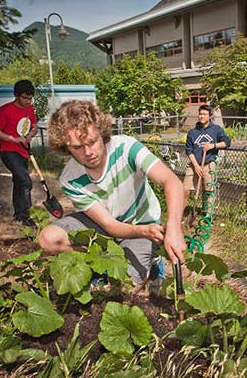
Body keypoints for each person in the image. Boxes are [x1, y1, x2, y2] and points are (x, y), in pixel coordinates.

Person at [38, 101, 186, 288]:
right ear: (65, 147)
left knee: (125, 285)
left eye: (92, 142)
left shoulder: (127, 148)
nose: (88, 152)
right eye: (77, 147)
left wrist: (173, 227)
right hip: (105, 227)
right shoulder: (70, 179)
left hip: (142, 225)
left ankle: (147, 262)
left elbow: (172, 181)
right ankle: (104, 262)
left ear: (101, 132)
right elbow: (109, 225)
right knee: (48, 239)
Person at [0, 79, 38, 227]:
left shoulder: (30, 109)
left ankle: (18, 215)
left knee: (19, 182)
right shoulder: (5, 110)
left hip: (23, 151)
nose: (28, 101)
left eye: (30, 98)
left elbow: (34, 126)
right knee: (25, 180)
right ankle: (25, 215)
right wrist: (12, 138)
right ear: (17, 95)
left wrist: (30, 135)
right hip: (8, 151)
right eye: (25, 98)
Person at [184, 104, 231, 213]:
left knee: (208, 191)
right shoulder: (192, 132)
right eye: (200, 114)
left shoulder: (216, 129)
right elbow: (189, 150)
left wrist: (212, 145)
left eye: (204, 114)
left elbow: (227, 143)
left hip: (209, 164)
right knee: (185, 190)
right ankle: (180, 214)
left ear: (209, 116)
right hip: (194, 165)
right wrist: (196, 166)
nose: (201, 116)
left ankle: (207, 216)